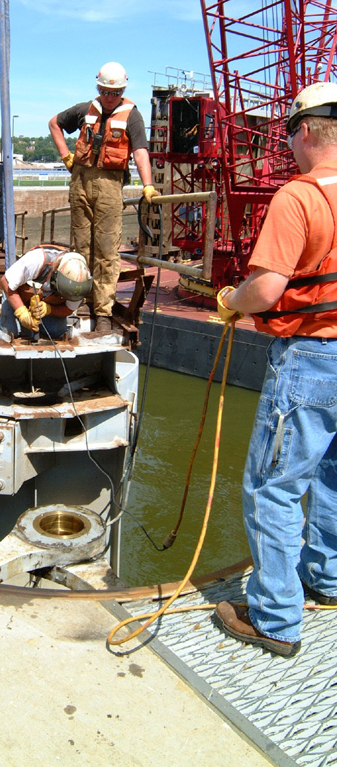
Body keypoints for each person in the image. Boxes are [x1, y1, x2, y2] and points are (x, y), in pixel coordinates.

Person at [214, 81, 337, 658]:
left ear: (309, 131)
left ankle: (276, 619)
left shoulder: (300, 196)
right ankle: (328, 580)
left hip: (311, 357)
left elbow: (265, 289)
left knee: (272, 488)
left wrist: (228, 302)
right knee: (333, 476)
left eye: (289, 134)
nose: (287, 146)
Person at [48, 62, 156, 335]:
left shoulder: (131, 116)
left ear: (123, 91)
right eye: (106, 91)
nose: (110, 96)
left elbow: (141, 151)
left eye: (116, 92)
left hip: (110, 186)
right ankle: (80, 301)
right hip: (80, 182)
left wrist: (148, 185)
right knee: (81, 248)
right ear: (98, 87)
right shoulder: (85, 110)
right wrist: (66, 157)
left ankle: (103, 312)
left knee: (107, 253)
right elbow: (54, 124)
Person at [0, 247, 92, 339]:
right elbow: (6, 282)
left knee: (56, 332)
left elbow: (68, 309)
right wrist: (21, 312)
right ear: (56, 276)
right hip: (18, 296)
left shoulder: (81, 282)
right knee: (8, 333)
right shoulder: (36, 260)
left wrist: (49, 309)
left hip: (50, 304)